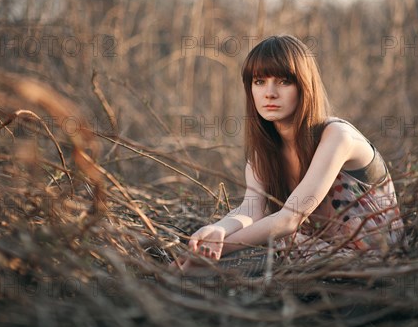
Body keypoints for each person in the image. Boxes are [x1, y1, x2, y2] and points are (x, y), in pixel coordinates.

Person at [171, 35, 403, 272]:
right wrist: (218, 231)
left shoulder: (337, 136)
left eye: (283, 81)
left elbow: (289, 220)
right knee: (241, 245)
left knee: (268, 242)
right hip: (314, 254)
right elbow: (251, 210)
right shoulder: (263, 154)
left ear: (304, 86)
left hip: (374, 261)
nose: (269, 93)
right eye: (259, 81)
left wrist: (216, 251)